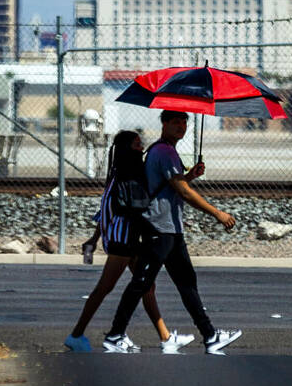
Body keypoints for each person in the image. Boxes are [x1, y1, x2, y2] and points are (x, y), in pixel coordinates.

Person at [104, 110, 242, 354]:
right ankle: (115, 334)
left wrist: (190, 175)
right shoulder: (165, 152)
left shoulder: (163, 150)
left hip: (171, 229)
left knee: (186, 282)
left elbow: (174, 184)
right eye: (175, 122)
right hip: (159, 228)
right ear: (164, 124)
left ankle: (210, 336)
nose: (181, 126)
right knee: (141, 283)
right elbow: (184, 192)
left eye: (184, 122)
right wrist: (217, 213)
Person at [64, 129, 195, 353]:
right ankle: (78, 335)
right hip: (124, 240)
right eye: (137, 144)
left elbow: (108, 208)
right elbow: (146, 199)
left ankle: (165, 337)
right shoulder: (131, 171)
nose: (141, 147)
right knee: (105, 288)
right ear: (128, 148)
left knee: (146, 286)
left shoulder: (119, 171)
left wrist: (96, 238)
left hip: (122, 238)